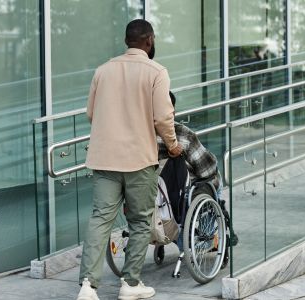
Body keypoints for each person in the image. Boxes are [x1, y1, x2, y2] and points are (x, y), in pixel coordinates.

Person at [77, 19, 182, 300]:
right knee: (139, 221)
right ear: (148, 41)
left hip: (104, 159)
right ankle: (130, 284)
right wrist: (172, 146)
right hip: (139, 160)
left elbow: (91, 113)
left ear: (127, 41)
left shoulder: (103, 71)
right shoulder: (156, 72)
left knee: (100, 219)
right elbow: (163, 117)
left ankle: (88, 286)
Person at [157, 92, 238, 250]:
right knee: (214, 182)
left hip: (151, 195)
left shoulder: (140, 136)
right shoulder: (181, 134)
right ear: (172, 112)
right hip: (180, 196)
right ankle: (206, 238)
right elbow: (206, 169)